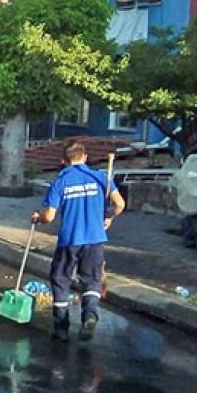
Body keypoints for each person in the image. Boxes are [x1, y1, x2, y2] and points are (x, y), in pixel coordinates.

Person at [31, 141, 126, 342]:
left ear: (63, 161)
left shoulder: (60, 182)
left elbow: (48, 217)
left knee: (61, 279)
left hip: (70, 240)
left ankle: (62, 328)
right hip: (95, 238)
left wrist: (37, 218)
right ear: (85, 157)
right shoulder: (101, 177)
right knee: (91, 280)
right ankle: (90, 316)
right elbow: (119, 204)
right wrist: (108, 217)